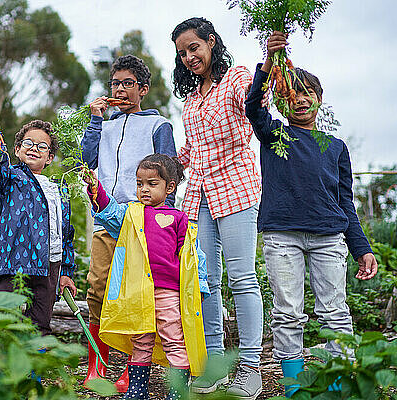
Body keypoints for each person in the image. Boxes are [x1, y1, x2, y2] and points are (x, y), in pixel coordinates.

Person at [245, 32, 378, 397]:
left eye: (308, 93)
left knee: (334, 312)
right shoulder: (275, 135)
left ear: (319, 100)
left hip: (328, 238)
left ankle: (340, 385)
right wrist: (270, 63)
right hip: (282, 236)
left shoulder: (334, 147)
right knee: (288, 313)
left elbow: (345, 202)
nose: (300, 100)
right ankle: (294, 388)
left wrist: (361, 246)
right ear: (283, 104)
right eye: (292, 95)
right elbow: (253, 107)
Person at [171, 17, 264, 399]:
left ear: (211, 43)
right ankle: (214, 364)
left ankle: (252, 368)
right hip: (199, 196)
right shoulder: (190, 100)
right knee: (205, 283)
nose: (190, 57)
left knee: (242, 277)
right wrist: (158, 171)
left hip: (236, 188)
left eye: (194, 48)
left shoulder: (237, 77)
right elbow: (190, 153)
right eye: (182, 53)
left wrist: (271, 66)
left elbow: (257, 101)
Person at [81, 54, 177, 390]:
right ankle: (98, 360)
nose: (120, 89)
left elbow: (169, 172)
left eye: (128, 84)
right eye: (115, 84)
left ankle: (133, 367)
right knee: (97, 287)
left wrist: (164, 222)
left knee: (138, 293)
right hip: (106, 217)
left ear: (143, 89)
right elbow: (87, 160)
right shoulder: (103, 126)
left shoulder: (158, 125)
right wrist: (95, 120)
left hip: (142, 221)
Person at [82, 154, 209, 400]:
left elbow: (193, 257)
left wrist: (199, 288)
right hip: (139, 292)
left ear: (169, 187)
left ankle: (178, 392)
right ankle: (136, 390)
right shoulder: (132, 214)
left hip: (169, 293)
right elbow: (109, 212)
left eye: (152, 183)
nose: (144, 189)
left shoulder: (179, 219)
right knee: (141, 340)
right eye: (140, 184)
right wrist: (96, 190)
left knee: (174, 340)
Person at [0, 101, 78, 336]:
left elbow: (66, 234)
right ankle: (4, 369)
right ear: (17, 150)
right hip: (14, 261)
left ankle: (34, 371)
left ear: (50, 157)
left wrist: (66, 271)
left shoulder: (59, 190)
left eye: (42, 146)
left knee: (40, 323)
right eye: (28, 143)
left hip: (49, 266)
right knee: (4, 319)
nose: (34, 148)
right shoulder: (8, 179)